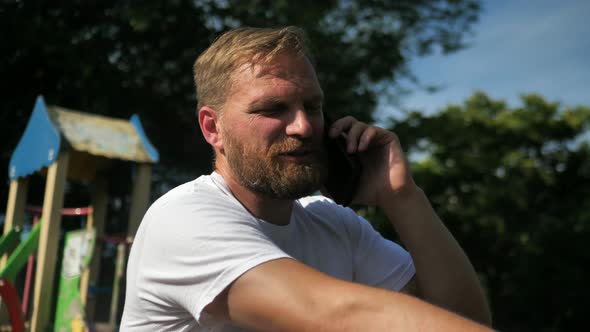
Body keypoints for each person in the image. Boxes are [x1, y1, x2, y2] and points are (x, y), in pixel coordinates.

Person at [121, 26, 493, 331]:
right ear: (212, 128)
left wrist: (402, 196)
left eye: (313, 107)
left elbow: (464, 319)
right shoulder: (183, 218)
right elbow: (336, 315)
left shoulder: (335, 224)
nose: (303, 126)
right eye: (273, 109)